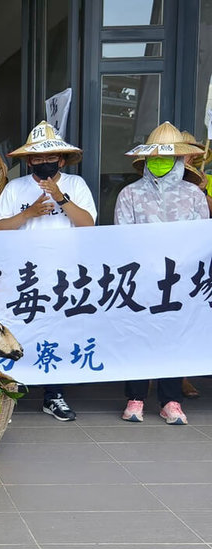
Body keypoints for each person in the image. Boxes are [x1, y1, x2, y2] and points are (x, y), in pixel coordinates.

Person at [0, 121, 97, 422]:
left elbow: (88, 224)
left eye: (49, 158)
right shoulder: (15, 188)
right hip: (23, 275)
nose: (43, 163)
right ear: (28, 162)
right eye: (36, 158)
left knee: (57, 333)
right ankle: (11, 394)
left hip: (64, 276)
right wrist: (28, 214)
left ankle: (54, 395)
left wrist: (60, 197)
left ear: (61, 160)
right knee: (20, 331)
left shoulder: (76, 185)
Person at [114, 121, 208, 425]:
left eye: (166, 157)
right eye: (155, 158)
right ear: (145, 160)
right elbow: (122, 237)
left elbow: (200, 239)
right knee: (138, 337)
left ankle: (171, 401)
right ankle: (135, 398)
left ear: (180, 159)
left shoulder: (193, 196)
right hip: (142, 280)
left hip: (180, 281)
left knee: (174, 339)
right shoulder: (129, 194)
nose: (160, 162)